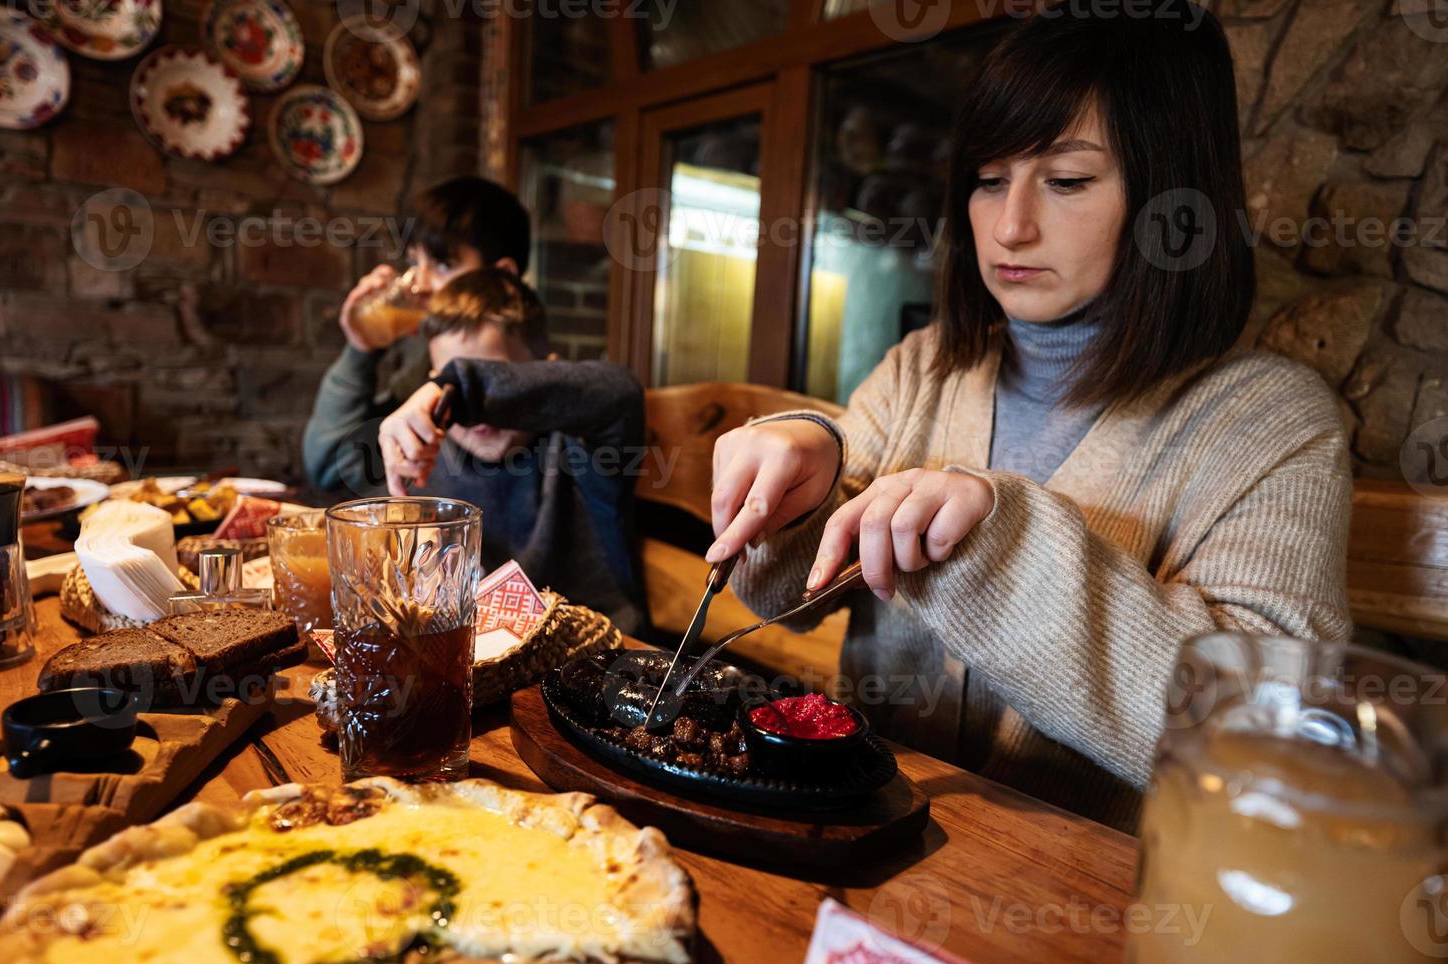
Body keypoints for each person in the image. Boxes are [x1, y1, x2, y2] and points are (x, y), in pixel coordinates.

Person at [704, 1, 1351, 830]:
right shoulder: (926, 367)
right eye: (987, 178)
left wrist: (995, 540)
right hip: (871, 852)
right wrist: (808, 465)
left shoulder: (1273, 426)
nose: (1010, 224)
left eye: (1069, 179)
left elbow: (1265, 743)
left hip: (1105, 911)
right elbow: (789, 583)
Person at [376, 269, 648, 636]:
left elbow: (621, 393)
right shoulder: (433, 457)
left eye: (496, 378)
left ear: (544, 377)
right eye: (446, 385)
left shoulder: (582, 451)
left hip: (597, 657)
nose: (473, 414)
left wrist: (462, 388)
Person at [302, 177, 532, 493]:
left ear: (503, 277)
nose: (419, 284)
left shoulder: (539, 380)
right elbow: (332, 469)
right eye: (413, 262)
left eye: (442, 264)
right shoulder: (423, 372)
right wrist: (360, 351)